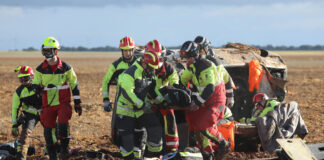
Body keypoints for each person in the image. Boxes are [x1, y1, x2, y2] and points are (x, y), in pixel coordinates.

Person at [179, 41, 231, 160]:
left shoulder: (206, 66)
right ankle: (207, 153)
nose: (185, 60)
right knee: (194, 122)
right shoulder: (192, 67)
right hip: (204, 101)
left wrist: (196, 103)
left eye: (186, 57)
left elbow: (209, 88)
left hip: (217, 100)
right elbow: (182, 81)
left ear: (193, 56)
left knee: (204, 126)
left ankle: (223, 142)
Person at [32, 37, 82, 160]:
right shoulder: (39, 70)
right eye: (45, 51)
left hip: (63, 103)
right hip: (47, 105)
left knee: (63, 125)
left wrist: (77, 103)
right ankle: (53, 155)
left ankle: (64, 149)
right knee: (48, 132)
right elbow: (35, 85)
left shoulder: (66, 68)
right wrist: (37, 89)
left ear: (56, 51)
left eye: (49, 51)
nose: (47, 54)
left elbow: (74, 84)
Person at [115, 51, 166, 159]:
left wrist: (163, 101)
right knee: (128, 144)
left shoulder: (148, 73)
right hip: (125, 112)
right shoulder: (130, 73)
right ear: (144, 63)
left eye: (154, 69)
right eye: (151, 68)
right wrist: (143, 105)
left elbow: (152, 90)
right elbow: (128, 94)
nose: (153, 71)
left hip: (139, 111)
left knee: (154, 129)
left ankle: (149, 157)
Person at [145, 40, 180, 153]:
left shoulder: (169, 69)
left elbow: (175, 83)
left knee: (170, 117)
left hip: (163, 101)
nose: (158, 61)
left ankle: (172, 147)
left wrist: (171, 92)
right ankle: (147, 149)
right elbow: (148, 88)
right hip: (147, 101)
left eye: (161, 58)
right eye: (156, 57)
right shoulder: (145, 68)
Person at [194, 35, 235, 109]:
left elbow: (226, 77)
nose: (198, 52)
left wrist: (230, 97)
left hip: (216, 99)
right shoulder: (195, 63)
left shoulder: (214, 62)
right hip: (203, 100)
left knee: (217, 116)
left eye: (200, 49)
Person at [11, 65, 42, 160]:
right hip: (29, 115)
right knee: (24, 136)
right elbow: (15, 108)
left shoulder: (39, 85)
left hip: (45, 113)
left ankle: (53, 153)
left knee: (51, 132)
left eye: (26, 78)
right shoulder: (19, 92)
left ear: (32, 77)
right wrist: (15, 124)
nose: (24, 82)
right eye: (21, 80)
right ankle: (21, 157)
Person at [102, 36, 137, 111]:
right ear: (122, 51)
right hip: (122, 104)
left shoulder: (140, 63)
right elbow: (106, 81)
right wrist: (106, 100)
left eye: (130, 50)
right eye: (125, 51)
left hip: (139, 102)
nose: (128, 53)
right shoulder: (116, 66)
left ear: (133, 50)